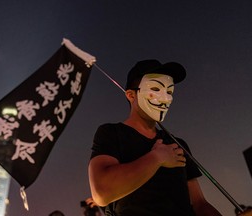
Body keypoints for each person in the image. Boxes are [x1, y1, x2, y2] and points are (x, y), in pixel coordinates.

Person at [88, 59, 222, 216]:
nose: (166, 99)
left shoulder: (177, 143)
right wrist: (156, 158)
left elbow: (199, 203)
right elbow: (102, 193)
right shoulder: (111, 133)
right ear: (131, 95)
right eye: (155, 89)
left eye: (169, 92)